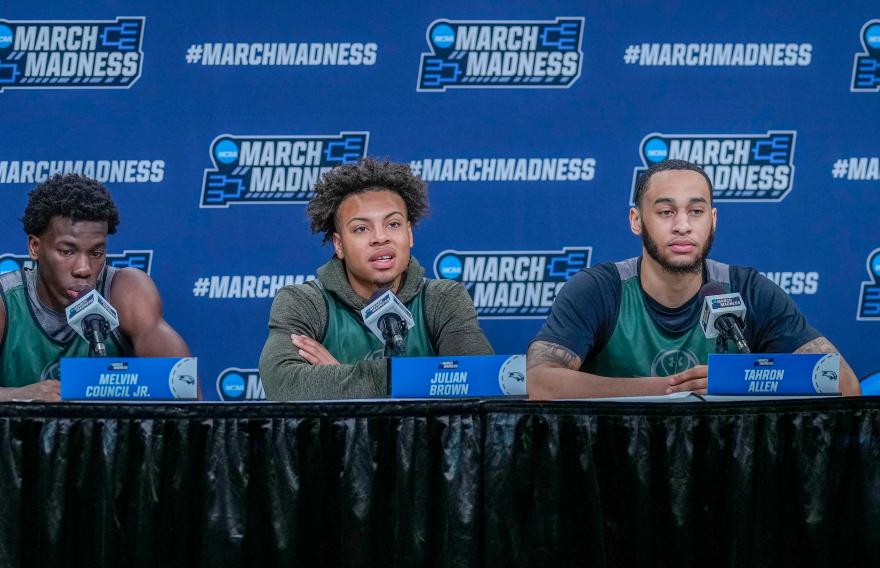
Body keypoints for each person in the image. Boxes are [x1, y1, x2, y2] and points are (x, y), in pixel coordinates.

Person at [527, 159, 860, 398]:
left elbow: (843, 382)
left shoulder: (750, 290)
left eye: (696, 211)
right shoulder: (598, 290)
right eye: (666, 211)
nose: (682, 225)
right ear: (636, 220)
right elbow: (539, 382)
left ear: (712, 220)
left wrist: (736, 381)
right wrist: (670, 389)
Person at [0, 173, 192, 402]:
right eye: (67, 251)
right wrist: (16, 397)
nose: (84, 268)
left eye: (96, 252)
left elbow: (185, 388)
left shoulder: (126, 291)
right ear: (35, 247)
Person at [259, 157, 493, 400]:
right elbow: (284, 385)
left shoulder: (444, 299)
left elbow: (479, 381)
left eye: (393, 224)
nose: (380, 238)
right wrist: (421, 378)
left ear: (409, 234)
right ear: (339, 245)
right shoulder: (302, 302)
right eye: (361, 228)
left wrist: (339, 376)